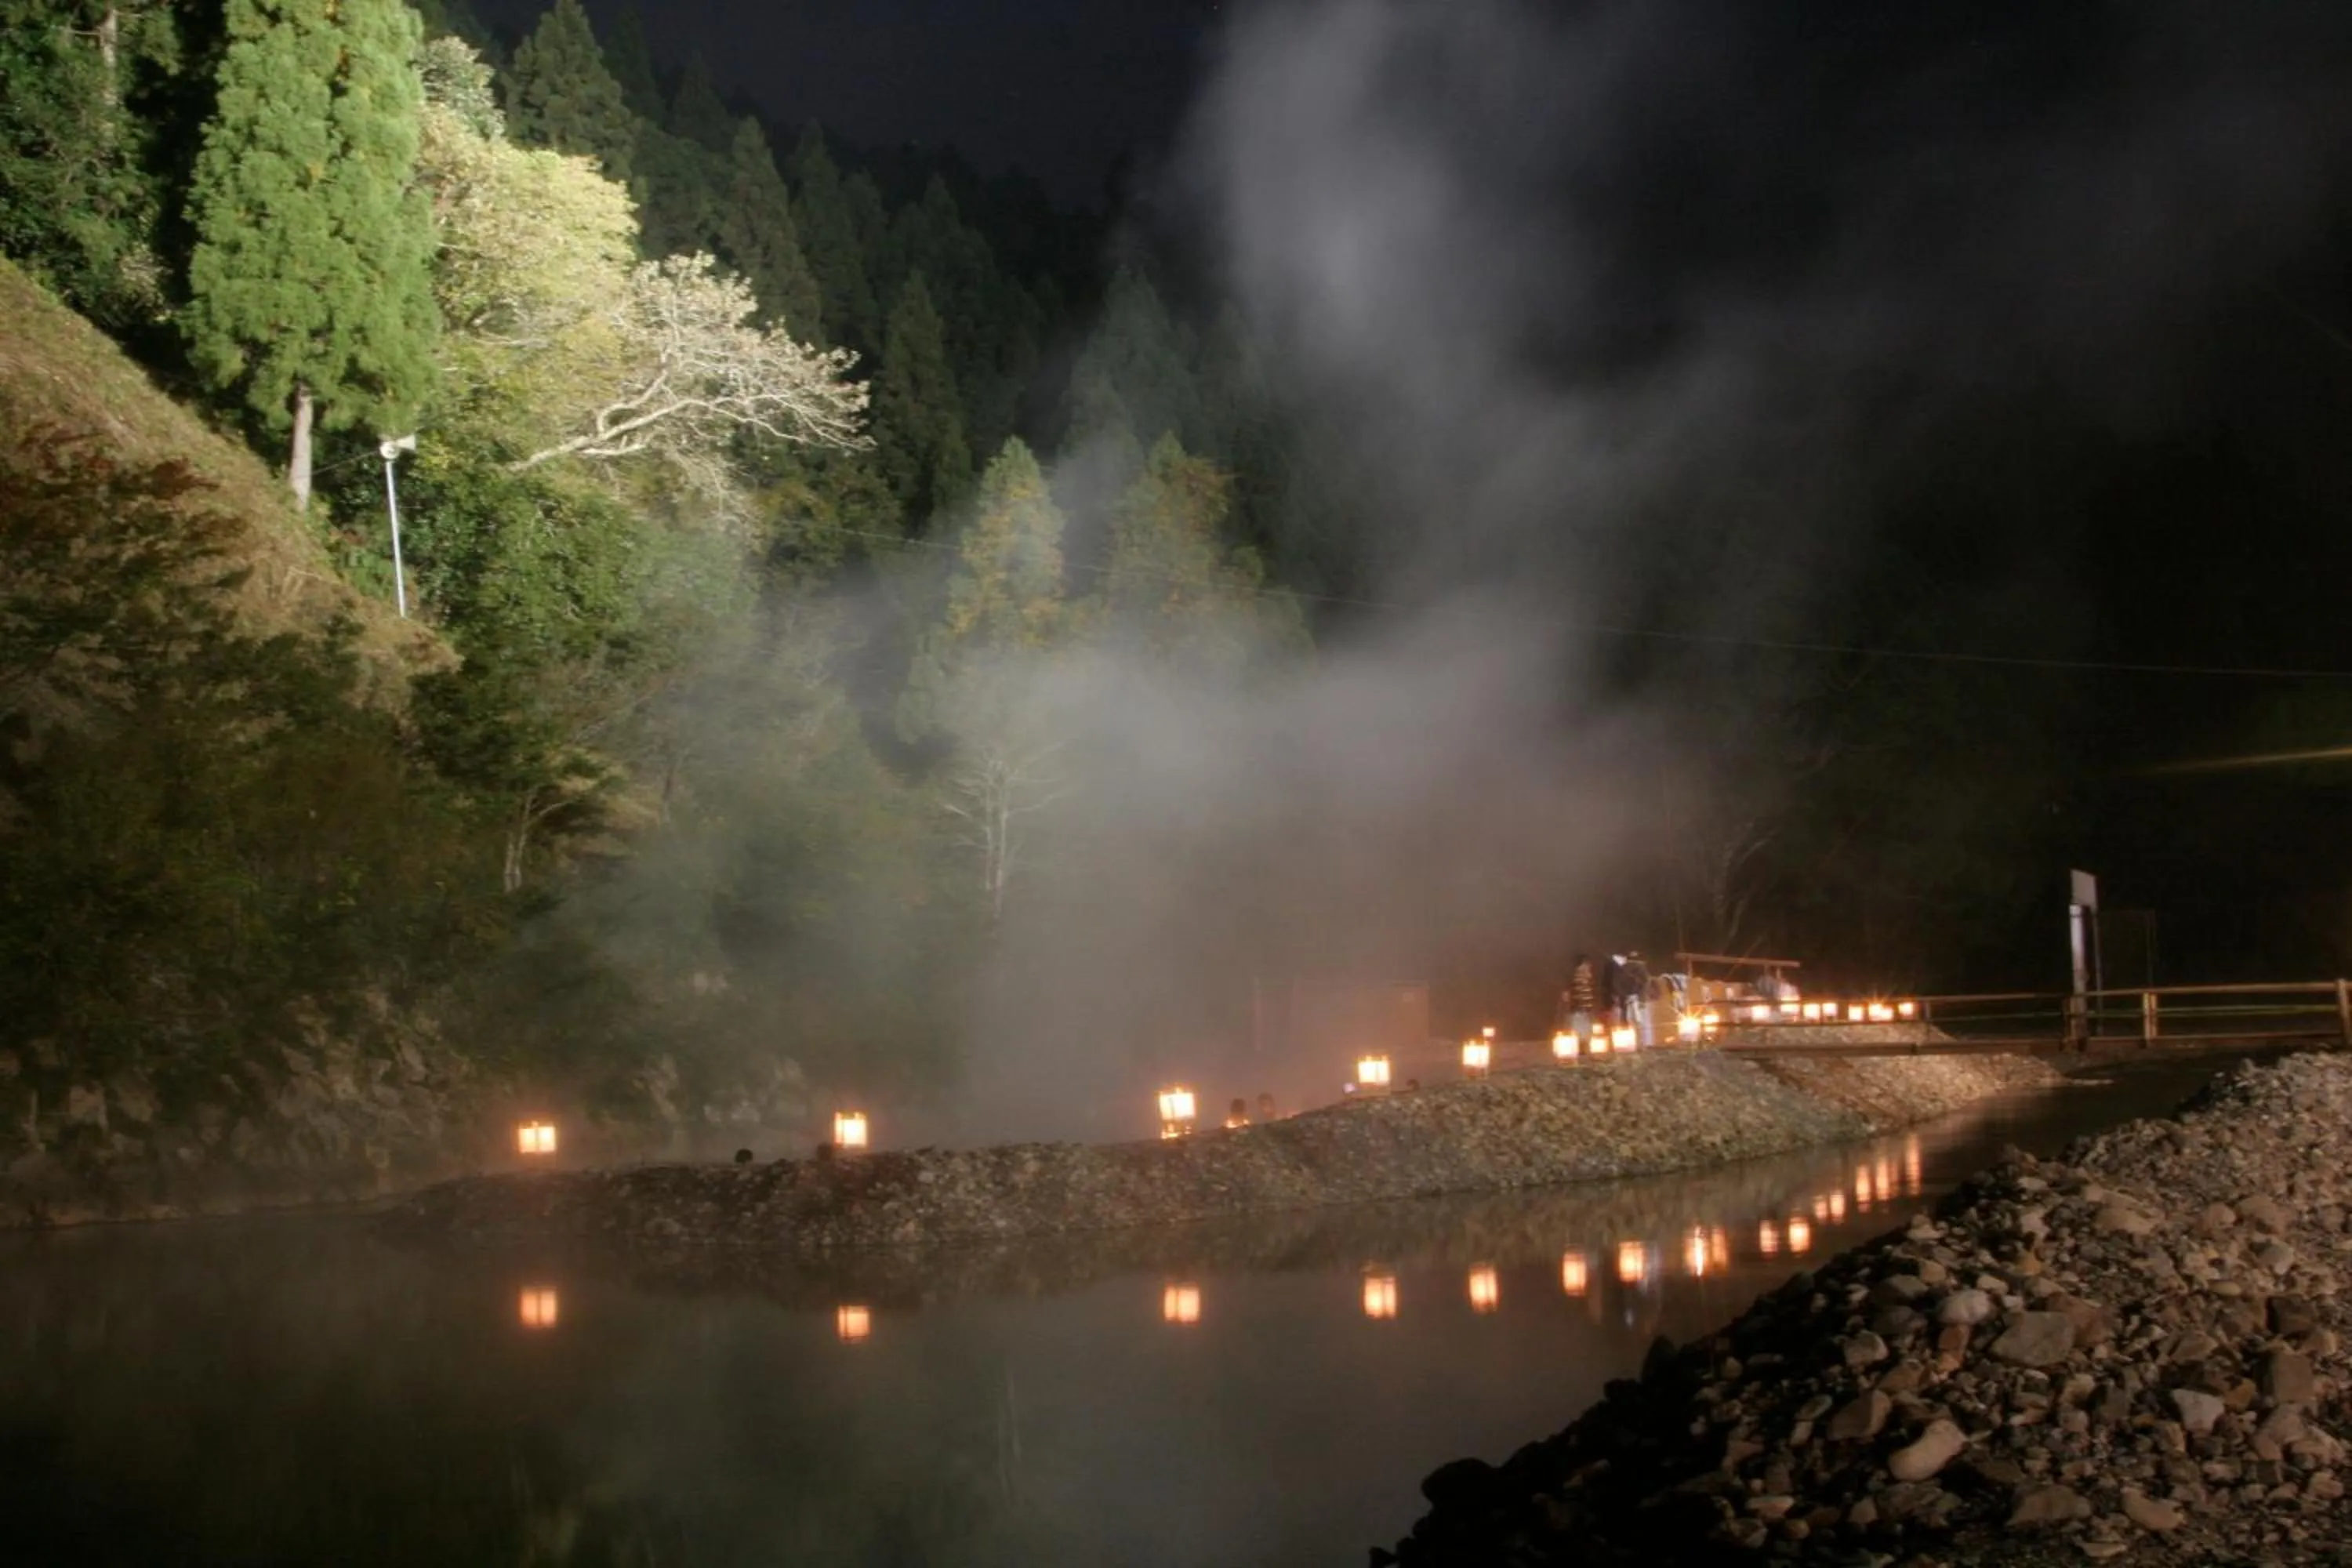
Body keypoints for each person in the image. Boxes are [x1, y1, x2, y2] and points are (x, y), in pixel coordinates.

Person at [1621, 951, 1653, 1047]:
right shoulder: (1641, 968)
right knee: (1642, 1021)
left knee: (1632, 1021)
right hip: (1637, 998)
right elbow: (1646, 982)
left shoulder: (1624, 969)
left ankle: (1637, 1043)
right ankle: (1645, 1043)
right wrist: (1642, 998)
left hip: (1629, 998)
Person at [1565, 954, 1598, 1041]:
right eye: (1587, 964)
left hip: (1586, 1011)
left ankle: (1584, 1043)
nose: (1589, 966)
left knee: (1586, 1033)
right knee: (1580, 1032)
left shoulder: (1587, 979)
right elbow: (1569, 996)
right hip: (1578, 1011)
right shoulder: (1576, 979)